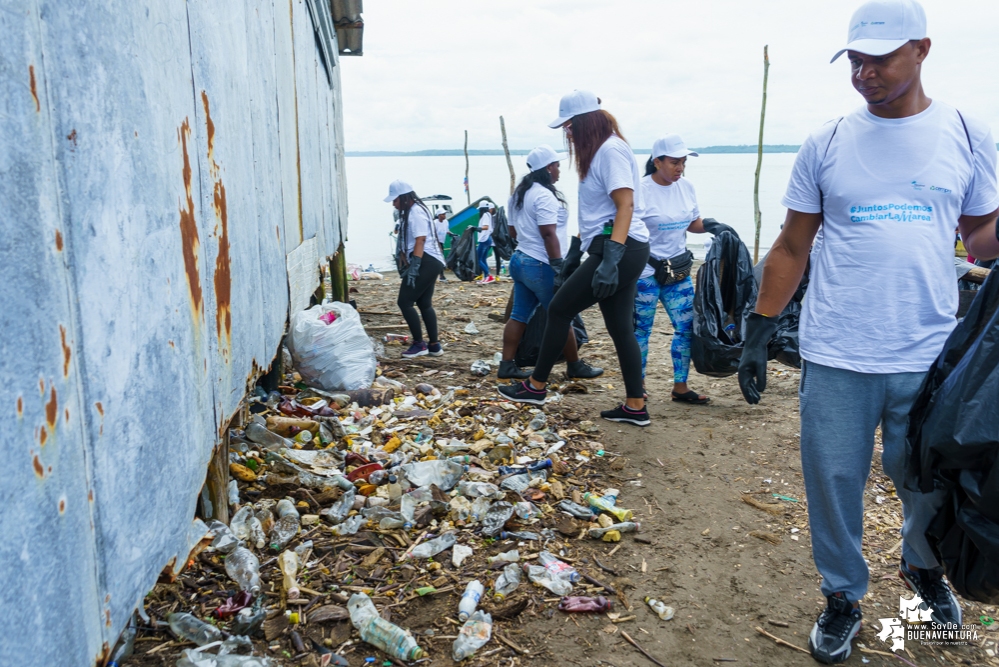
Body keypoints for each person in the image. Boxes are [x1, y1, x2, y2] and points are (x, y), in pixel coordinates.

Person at [736, 1, 999, 663]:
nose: (864, 73)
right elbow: (792, 244)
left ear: (922, 49)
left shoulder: (965, 134)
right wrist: (759, 327)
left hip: (930, 353)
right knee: (832, 480)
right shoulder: (825, 142)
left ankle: (922, 569)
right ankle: (842, 594)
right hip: (835, 353)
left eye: (878, 58)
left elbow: (980, 240)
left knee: (925, 481)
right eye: (854, 60)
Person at [498, 90, 652, 426]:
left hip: (620, 247)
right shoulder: (599, 152)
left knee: (559, 309)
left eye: (569, 126)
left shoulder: (609, 150)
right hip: (616, 245)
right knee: (620, 328)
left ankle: (536, 386)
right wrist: (573, 254)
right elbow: (597, 213)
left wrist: (611, 259)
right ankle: (635, 405)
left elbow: (625, 206)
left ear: (586, 122)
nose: (567, 133)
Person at [634, 134, 736, 404]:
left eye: (683, 163)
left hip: (677, 271)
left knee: (687, 326)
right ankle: (638, 385)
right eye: (674, 162)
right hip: (644, 273)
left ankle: (680, 385)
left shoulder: (686, 187)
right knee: (641, 330)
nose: (680, 168)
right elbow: (627, 228)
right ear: (657, 162)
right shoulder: (640, 189)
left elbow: (693, 223)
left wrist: (714, 226)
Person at [498, 144, 603, 381]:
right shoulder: (544, 195)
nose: (559, 170)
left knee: (519, 315)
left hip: (520, 259)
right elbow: (548, 233)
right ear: (547, 168)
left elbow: (513, 232)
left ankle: (506, 365)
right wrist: (557, 265)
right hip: (540, 263)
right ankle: (574, 365)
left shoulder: (519, 194)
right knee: (561, 314)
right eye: (556, 165)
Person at [385, 179, 447, 359]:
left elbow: (421, 240)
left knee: (404, 302)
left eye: (395, 200)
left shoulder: (416, 213)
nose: (393, 204)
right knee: (424, 303)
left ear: (404, 198)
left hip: (426, 259)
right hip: (431, 260)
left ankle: (419, 343)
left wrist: (415, 266)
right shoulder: (412, 211)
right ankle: (434, 345)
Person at [475, 199, 496, 283]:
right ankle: (487, 277)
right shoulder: (488, 214)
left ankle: (487, 275)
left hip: (484, 239)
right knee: (483, 259)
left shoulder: (485, 215)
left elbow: (486, 227)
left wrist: (477, 228)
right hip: (488, 239)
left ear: (482, 209)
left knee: (478, 259)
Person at [488, 202, 503, 276]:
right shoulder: (488, 216)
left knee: (497, 256)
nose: (489, 211)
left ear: (493, 209)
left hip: (495, 239)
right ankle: (484, 273)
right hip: (489, 238)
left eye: (490, 209)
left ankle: (498, 273)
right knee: (483, 255)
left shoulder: (497, 216)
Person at [434, 209, 449, 281]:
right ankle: (441, 275)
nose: (444, 216)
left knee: (440, 258)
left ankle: (441, 275)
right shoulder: (435, 223)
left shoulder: (446, 222)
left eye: (445, 214)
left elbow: (446, 230)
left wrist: (452, 234)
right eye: (443, 214)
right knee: (439, 258)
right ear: (439, 215)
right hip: (434, 243)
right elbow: (434, 234)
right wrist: (438, 245)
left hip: (441, 242)